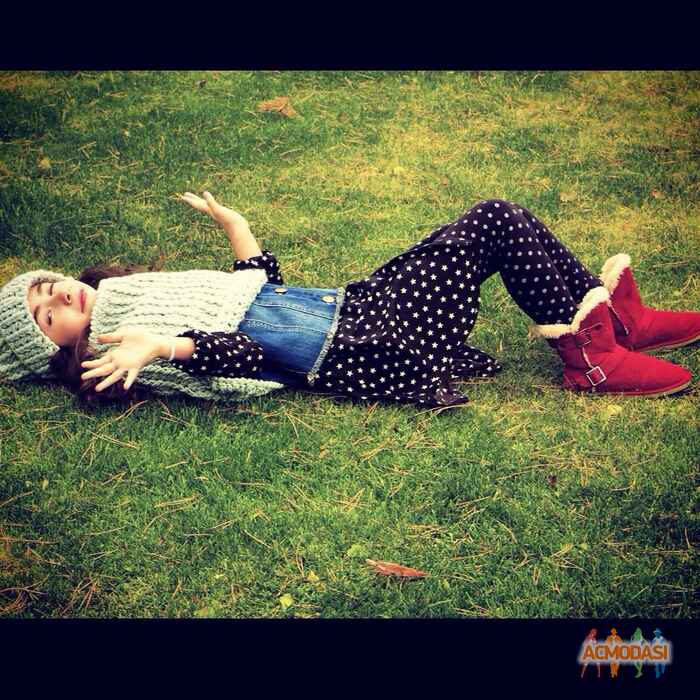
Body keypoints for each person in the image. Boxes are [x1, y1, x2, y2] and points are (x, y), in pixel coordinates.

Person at [1, 192, 699, 411]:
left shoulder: (133, 296)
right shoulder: (122, 350)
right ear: (52, 350)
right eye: (45, 314)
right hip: (371, 345)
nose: (55, 295)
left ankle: (619, 322)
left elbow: (256, 291)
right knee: (493, 220)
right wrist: (161, 347)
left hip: (363, 307)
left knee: (497, 215)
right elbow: (248, 356)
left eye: (44, 285)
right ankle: (592, 357)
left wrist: (237, 230)